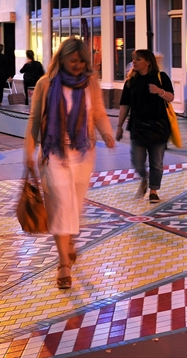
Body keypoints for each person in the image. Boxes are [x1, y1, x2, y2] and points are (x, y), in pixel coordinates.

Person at [24, 37, 115, 289]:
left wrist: (106, 133)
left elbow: (97, 112)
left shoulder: (90, 84)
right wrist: (28, 152)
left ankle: (69, 239)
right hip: (53, 154)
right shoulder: (46, 83)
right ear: (61, 59)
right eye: (73, 60)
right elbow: (34, 121)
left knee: (73, 204)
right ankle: (63, 263)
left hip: (83, 154)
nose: (78, 65)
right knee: (61, 205)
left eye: (82, 60)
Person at [116, 50, 174, 203]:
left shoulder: (161, 78)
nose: (133, 62)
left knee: (156, 162)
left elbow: (171, 97)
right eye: (133, 59)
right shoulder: (131, 82)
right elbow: (125, 105)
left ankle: (153, 190)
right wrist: (119, 126)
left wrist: (159, 91)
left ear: (148, 62)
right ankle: (143, 178)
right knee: (137, 159)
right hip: (138, 126)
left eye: (138, 59)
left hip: (159, 126)